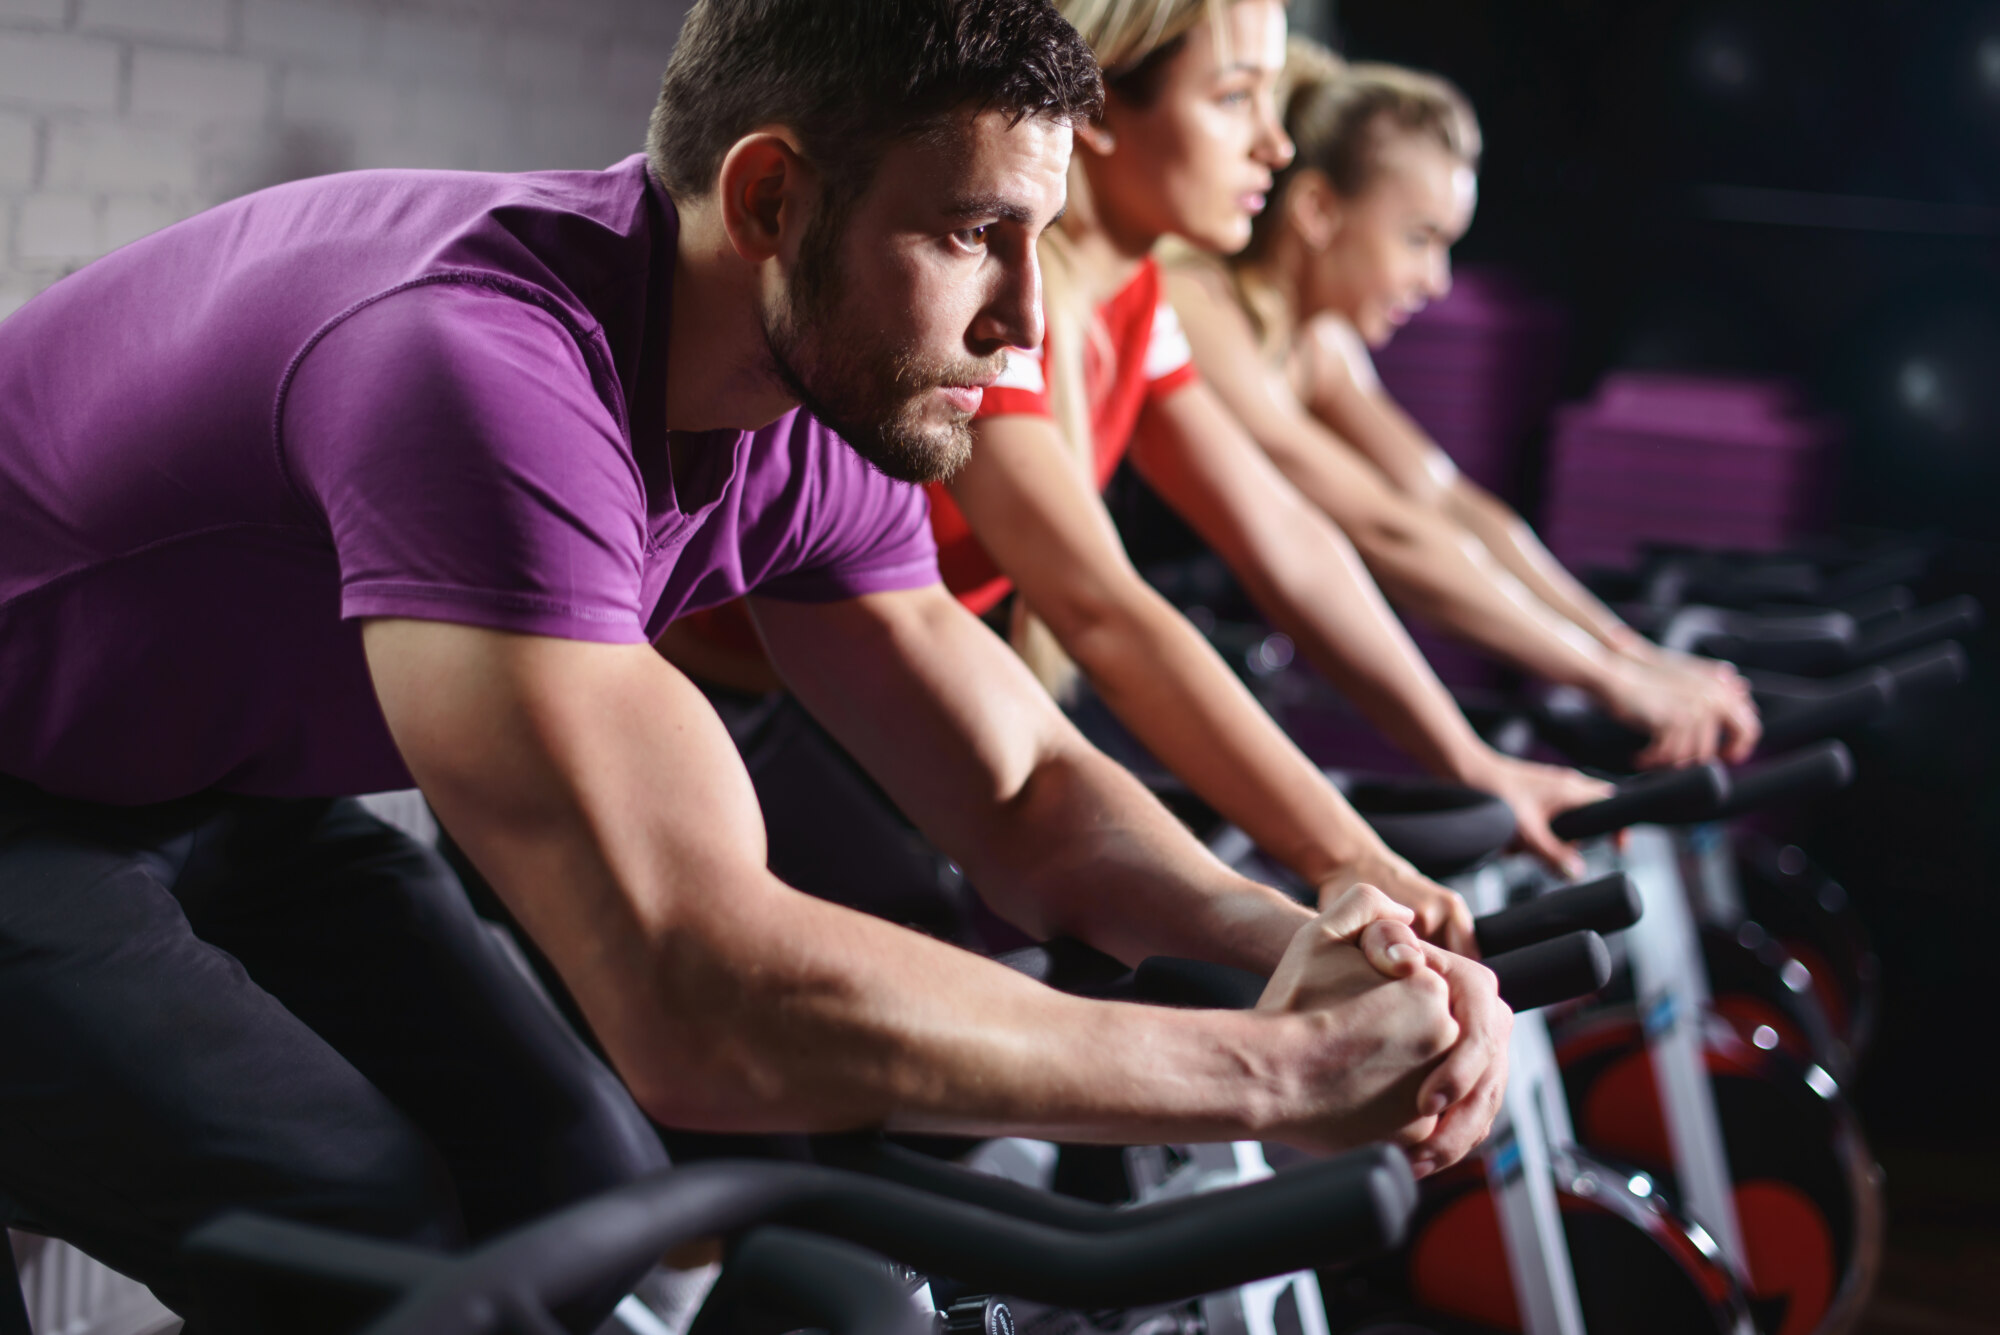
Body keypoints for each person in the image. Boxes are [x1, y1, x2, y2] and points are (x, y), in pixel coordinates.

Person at [0, 2, 1507, 1326]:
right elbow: (696, 999)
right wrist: (1273, 1075)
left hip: (219, 788)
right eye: (976, 233)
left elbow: (1023, 784)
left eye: (1040, 240)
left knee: (566, 1191)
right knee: (359, 1233)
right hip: (24, 798)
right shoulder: (485, 371)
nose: (1026, 319)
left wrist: (1309, 943)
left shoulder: (808, 413)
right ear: (773, 196)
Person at [672, 0, 1610, 904]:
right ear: (1105, 109)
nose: (1276, 148)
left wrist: (1474, 764)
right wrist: (1353, 859)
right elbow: (1103, 608)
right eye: (1236, 97)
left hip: (855, 690)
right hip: (724, 695)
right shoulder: (999, 308)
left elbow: (1286, 535)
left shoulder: (1138, 297)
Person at [1166, 42, 1761, 769]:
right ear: (1319, 210)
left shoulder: (1315, 343)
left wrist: (1628, 655)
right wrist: (1608, 680)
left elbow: (1445, 499)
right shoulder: (1196, 307)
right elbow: (1384, 529)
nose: (1438, 280)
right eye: (1419, 239)